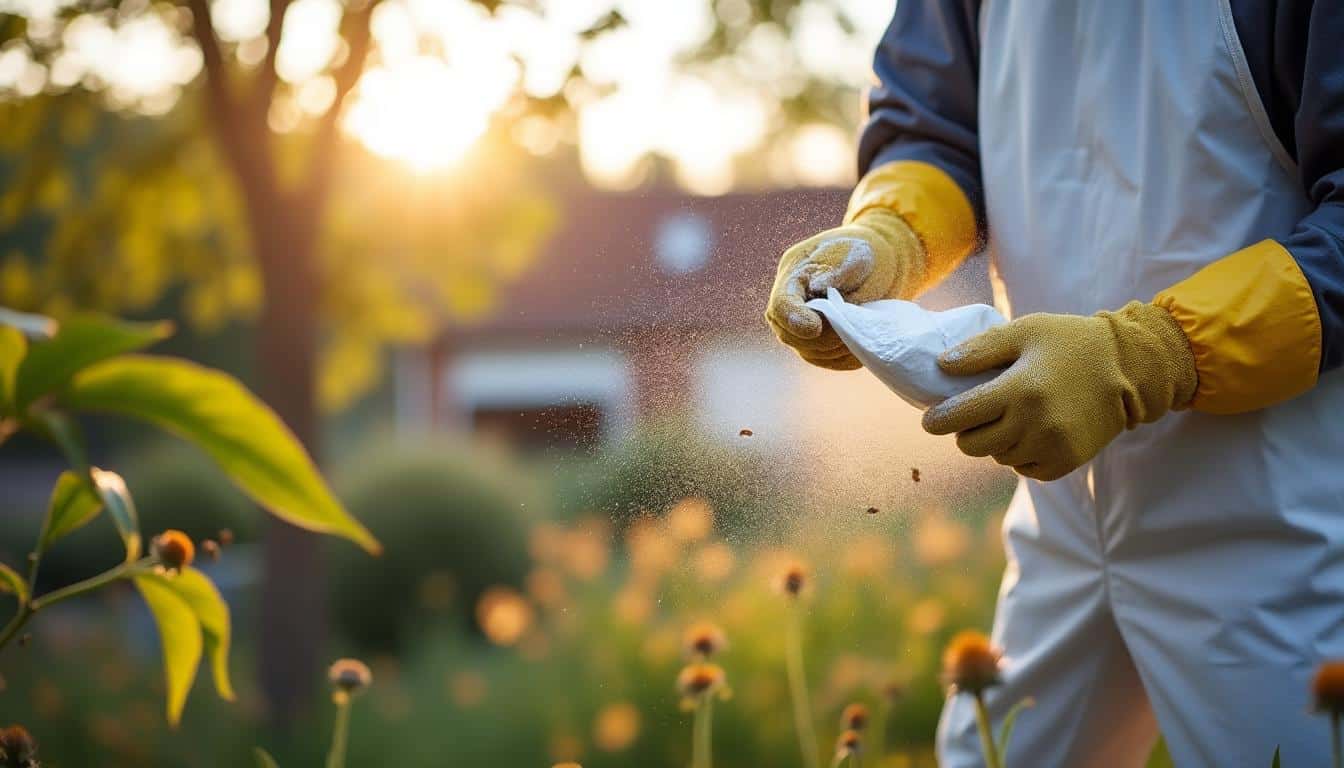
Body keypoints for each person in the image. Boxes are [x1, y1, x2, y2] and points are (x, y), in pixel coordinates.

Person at [766, 2, 1344, 765]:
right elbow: (932, 127)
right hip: (1061, 516)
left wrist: (1150, 355)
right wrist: (886, 238)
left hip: (1274, 521)